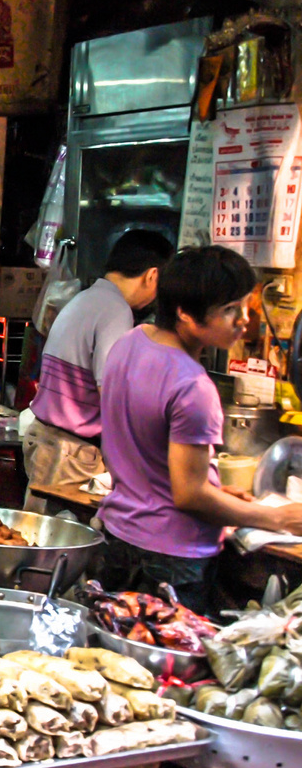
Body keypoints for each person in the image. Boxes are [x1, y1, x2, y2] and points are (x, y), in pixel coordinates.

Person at [96, 245, 302, 612]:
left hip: (119, 536)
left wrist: (221, 495)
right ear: (186, 314)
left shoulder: (130, 342)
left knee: (113, 651)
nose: (243, 320)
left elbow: (150, 459)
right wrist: (276, 517)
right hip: (172, 557)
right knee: (167, 664)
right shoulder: (193, 386)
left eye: (244, 305)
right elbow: (189, 495)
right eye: (229, 310)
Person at [21, 229, 174, 510]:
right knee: (62, 546)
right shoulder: (115, 311)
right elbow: (111, 395)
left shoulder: (85, 299)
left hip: (46, 439)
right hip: (71, 452)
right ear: (152, 275)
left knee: (40, 539)